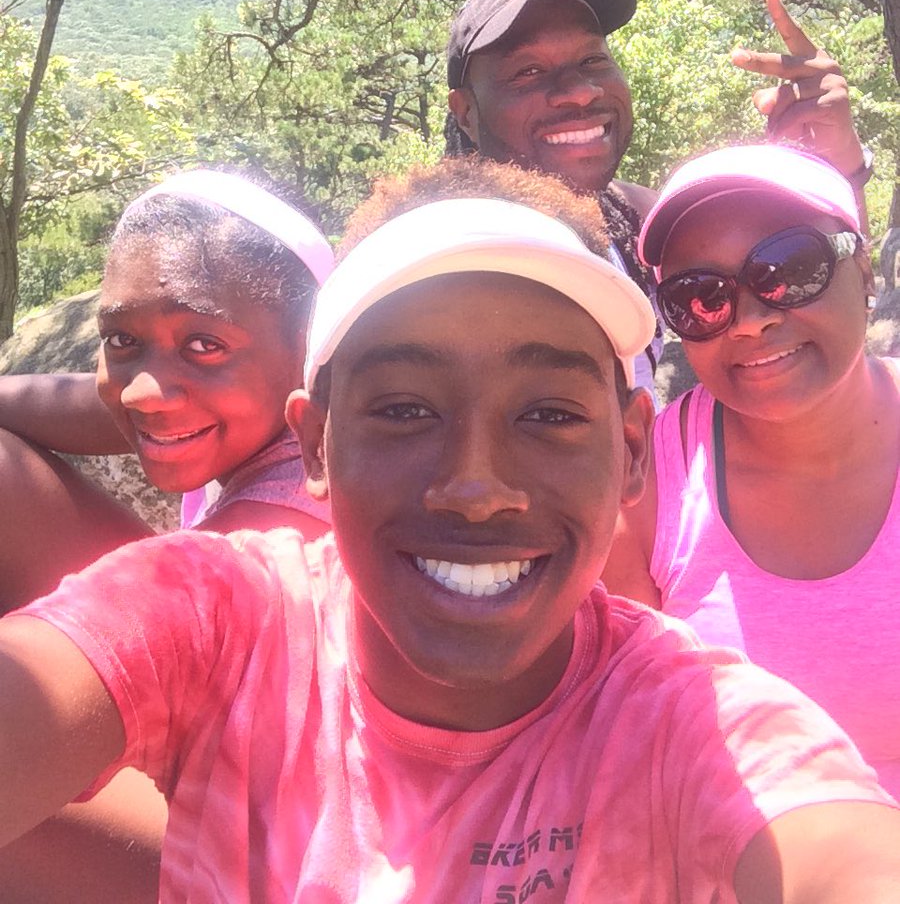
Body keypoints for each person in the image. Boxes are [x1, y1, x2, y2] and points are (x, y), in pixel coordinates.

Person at [1, 158, 899, 903]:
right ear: (315, 442)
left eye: (548, 414)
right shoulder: (216, 619)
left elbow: (838, 850)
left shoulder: (692, 725)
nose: (476, 489)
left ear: (631, 451)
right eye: (404, 409)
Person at [0, 168, 334, 902]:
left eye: (204, 345)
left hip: (289, 853)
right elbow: (81, 402)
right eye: (123, 340)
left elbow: (196, 599)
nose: (146, 391)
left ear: (309, 355)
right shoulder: (260, 415)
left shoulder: (284, 526)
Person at [603, 143, 900, 796]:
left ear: (864, 270)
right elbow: (628, 737)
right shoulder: (648, 488)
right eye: (701, 297)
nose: (751, 321)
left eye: (790, 268)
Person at [444, 0, 874, 397]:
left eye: (592, 59)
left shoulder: (636, 224)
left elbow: (831, 291)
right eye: (528, 71)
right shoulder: (439, 270)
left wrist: (836, 167)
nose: (580, 90)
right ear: (465, 112)